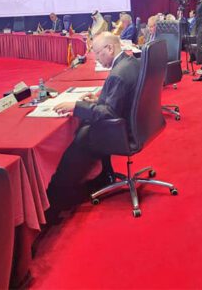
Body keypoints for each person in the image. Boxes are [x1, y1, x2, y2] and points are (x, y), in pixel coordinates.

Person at [46, 32, 141, 212]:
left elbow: (108, 113)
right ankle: (104, 174)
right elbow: (119, 100)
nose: (96, 58)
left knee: (81, 135)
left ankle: (60, 196)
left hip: (122, 131)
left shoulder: (118, 73)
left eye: (97, 53)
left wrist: (77, 106)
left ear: (110, 48)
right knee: (86, 126)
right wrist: (98, 100)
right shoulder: (130, 62)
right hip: (137, 125)